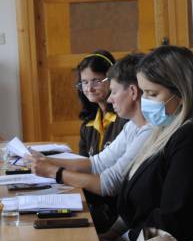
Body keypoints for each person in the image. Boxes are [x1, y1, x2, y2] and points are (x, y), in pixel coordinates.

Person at [109, 46, 193, 241]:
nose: (143, 102)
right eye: (143, 93)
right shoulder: (167, 129)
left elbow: (173, 221)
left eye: (152, 94)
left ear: (182, 92)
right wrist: (112, 235)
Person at [28, 53, 152, 195]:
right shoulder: (132, 126)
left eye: (114, 92)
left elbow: (109, 183)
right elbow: (97, 163)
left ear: (133, 92)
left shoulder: (145, 129)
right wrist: (46, 160)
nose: (110, 99)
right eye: (85, 82)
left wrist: (54, 172)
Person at [75, 50, 128, 157]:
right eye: (85, 82)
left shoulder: (125, 118)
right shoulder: (87, 125)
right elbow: (83, 162)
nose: (89, 89)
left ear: (112, 79)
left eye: (96, 81)